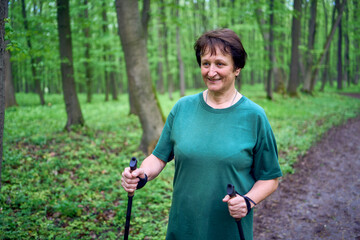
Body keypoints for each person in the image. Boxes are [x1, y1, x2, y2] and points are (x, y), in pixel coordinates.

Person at [121, 28, 282, 240]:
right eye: (206, 63)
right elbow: (159, 158)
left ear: (237, 68)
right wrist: (141, 174)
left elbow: (270, 177)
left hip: (229, 230)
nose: (211, 71)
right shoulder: (182, 108)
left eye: (220, 64)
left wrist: (247, 201)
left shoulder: (254, 116)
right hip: (183, 226)